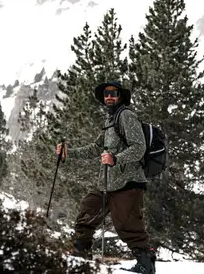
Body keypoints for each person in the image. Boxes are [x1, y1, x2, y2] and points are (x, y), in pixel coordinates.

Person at [56, 81, 156, 274]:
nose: (109, 97)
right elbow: (96, 148)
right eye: (106, 94)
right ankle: (80, 256)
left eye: (113, 93)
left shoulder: (126, 116)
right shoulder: (109, 121)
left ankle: (145, 264)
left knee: (128, 225)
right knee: (87, 211)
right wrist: (69, 153)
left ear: (120, 96)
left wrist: (116, 158)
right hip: (106, 183)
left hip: (127, 182)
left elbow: (139, 147)